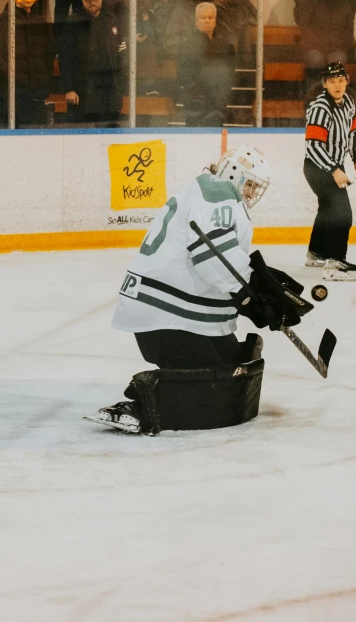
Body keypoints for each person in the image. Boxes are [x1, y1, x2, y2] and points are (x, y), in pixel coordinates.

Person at [85, 143, 310, 434]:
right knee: (213, 392)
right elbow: (213, 255)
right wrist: (249, 296)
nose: (253, 193)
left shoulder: (207, 191)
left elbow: (217, 259)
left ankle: (160, 386)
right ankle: (141, 402)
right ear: (232, 173)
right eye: (250, 184)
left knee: (231, 366)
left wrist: (258, 285)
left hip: (166, 313)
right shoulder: (219, 196)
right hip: (169, 316)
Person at [304, 62, 356, 281]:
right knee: (341, 213)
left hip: (333, 167)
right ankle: (335, 264)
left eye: (341, 80)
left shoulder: (348, 101)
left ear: (347, 81)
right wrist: (334, 169)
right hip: (317, 168)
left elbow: (353, 132)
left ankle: (316, 252)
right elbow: (313, 146)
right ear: (325, 84)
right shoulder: (320, 108)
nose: (337, 85)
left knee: (328, 208)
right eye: (332, 81)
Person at [0, 0, 54, 127]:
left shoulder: (40, 21)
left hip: (37, 92)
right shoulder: (3, 21)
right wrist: (13, 74)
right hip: (13, 93)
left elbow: (48, 54)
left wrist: (44, 79)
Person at [58, 0, 126, 125]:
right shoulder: (74, 22)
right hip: (84, 90)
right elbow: (65, 57)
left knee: (110, 135)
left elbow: (121, 54)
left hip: (109, 91)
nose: (92, 2)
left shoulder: (111, 20)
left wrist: (120, 86)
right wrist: (69, 88)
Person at [177, 2, 236, 126]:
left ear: (215, 20)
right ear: (196, 20)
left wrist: (222, 95)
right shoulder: (187, 45)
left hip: (218, 101)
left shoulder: (225, 44)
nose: (207, 21)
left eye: (210, 17)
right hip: (197, 103)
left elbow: (230, 72)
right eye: (203, 18)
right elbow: (184, 75)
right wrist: (198, 95)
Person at [298, 0, 353, 87]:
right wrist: (316, 42)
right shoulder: (314, 3)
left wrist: (340, 44)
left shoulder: (345, 6)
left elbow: (349, 30)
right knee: (316, 60)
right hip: (315, 47)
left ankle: (332, 99)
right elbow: (305, 26)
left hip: (337, 48)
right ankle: (313, 96)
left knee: (336, 63)